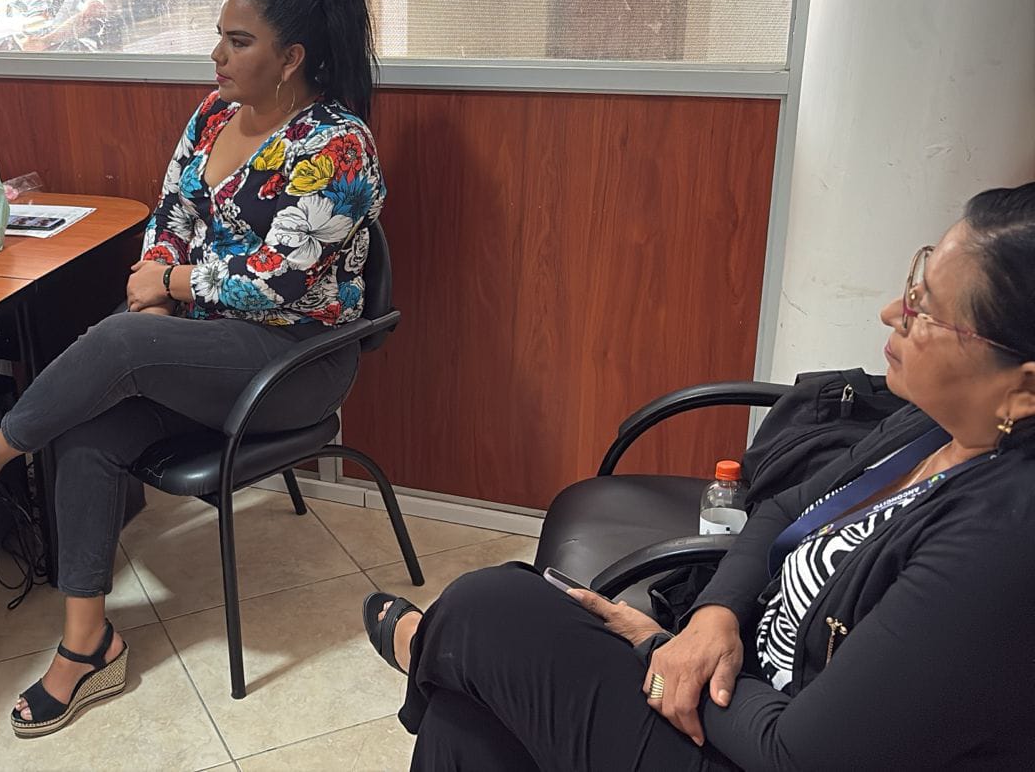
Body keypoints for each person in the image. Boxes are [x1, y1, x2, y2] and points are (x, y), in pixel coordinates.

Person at [0, 0, 383, 737]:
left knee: (118, 347)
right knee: (88, 426)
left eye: (239, 42)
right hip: (201, 343)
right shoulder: (214, 115)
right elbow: (171, 211)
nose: (217, 56)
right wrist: (156, 271)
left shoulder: (337, 146)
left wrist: (171, 288)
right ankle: (88, 645)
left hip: (294, 360)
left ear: (291, 59)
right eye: (219, 36)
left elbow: (279, 282)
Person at [364, 182, 1035, 770]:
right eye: (915, 284)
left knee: (488, 610)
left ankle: (426, 646)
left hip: (758, 748)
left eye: (926, 312)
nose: (892, 312)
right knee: (463, 722)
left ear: (1023, 388)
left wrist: (656, 647)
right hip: (736, 694)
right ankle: (437, 659)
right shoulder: (936, 426)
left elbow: (801, 755)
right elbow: (782, 511)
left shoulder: (1001, 544)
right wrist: (713, 617)